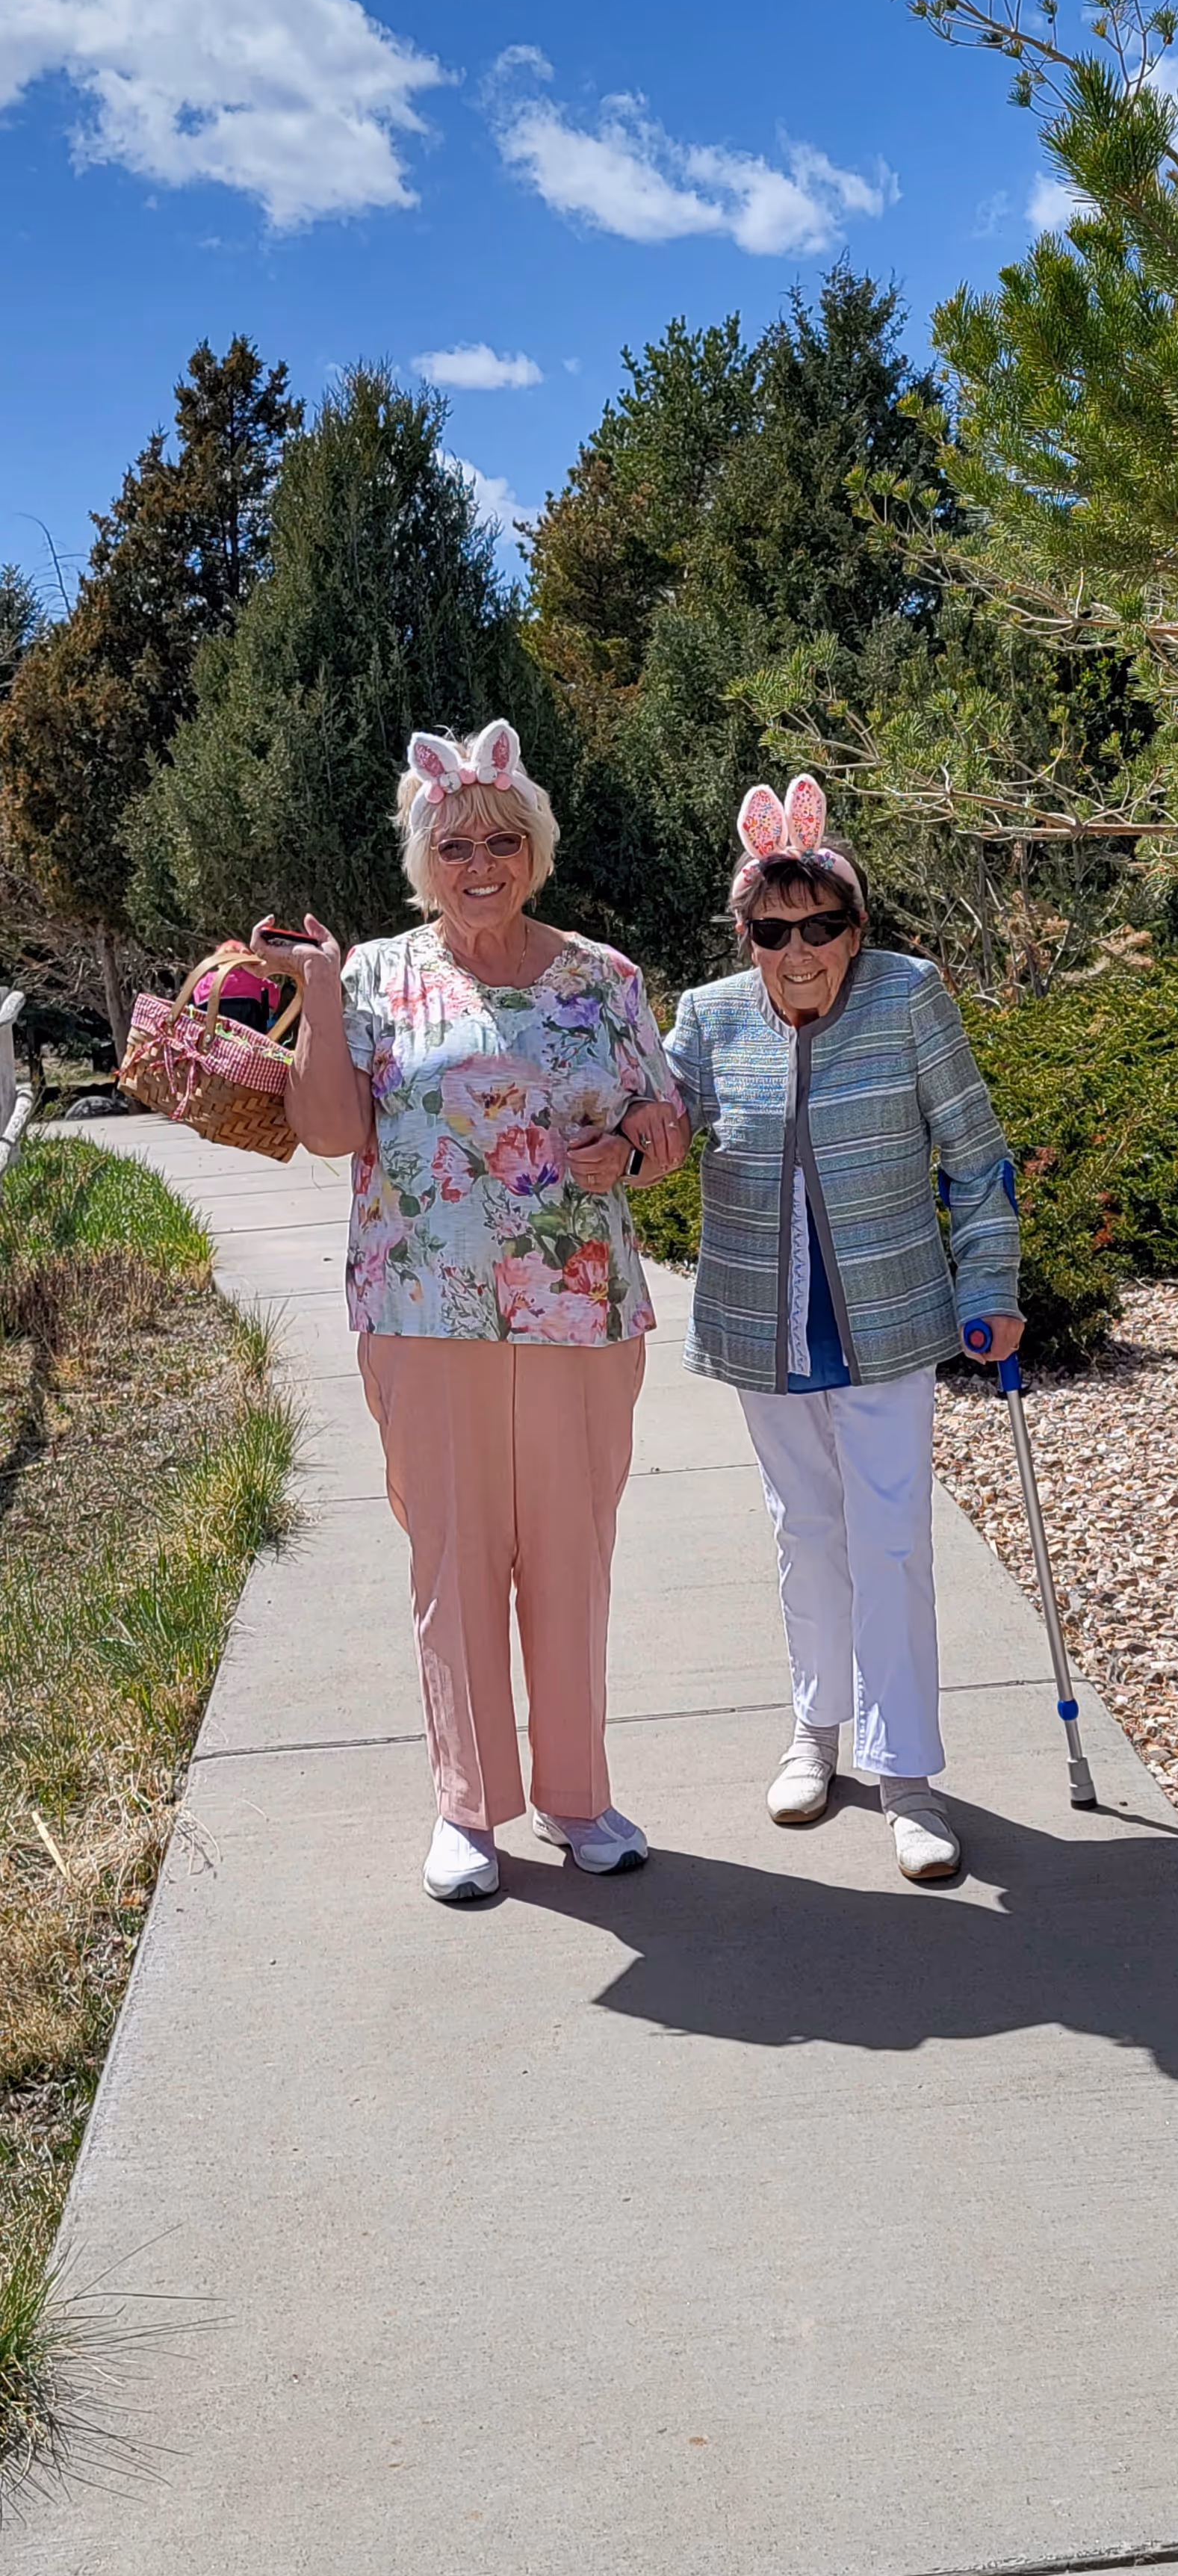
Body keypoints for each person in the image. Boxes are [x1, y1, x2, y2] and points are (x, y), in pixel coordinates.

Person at [250, 719, 683, 1906]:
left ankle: (581, 1798)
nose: (480, 859)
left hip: (579, 1311)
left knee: (570, 1559)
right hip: (422, 1311)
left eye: (503, 838)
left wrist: (631, 1158)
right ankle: (467, 1809)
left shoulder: (606, 978)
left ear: (537, 848)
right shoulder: (379, 976)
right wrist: (323, 997)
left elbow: (669, 1124)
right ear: (420, 858)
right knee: (452, 1561)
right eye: (455, 844)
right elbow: (332, 1132)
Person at [644, 773, 1023, 1883]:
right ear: (745, 932)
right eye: (772, 928)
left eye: (821, 924)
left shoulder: (908, 998)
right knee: (804, 1534)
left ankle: (906, 1776)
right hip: (767, 1326)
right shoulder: (710, 1018)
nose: (797, 948)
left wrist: (988, 1286)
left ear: (857, 928)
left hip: (890, 1318)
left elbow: (976, 1153)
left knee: (893, 1541)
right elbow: (655, 1121)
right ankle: (816, 1737)